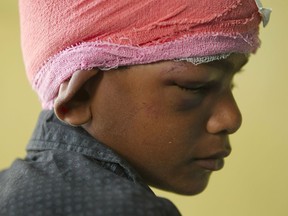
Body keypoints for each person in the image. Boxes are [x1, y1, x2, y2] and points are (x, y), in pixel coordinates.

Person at [0, 0, 271, 215]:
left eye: (231, 85)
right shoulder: (124, 210)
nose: (231, 118)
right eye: (193, 87)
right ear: (79, 96)